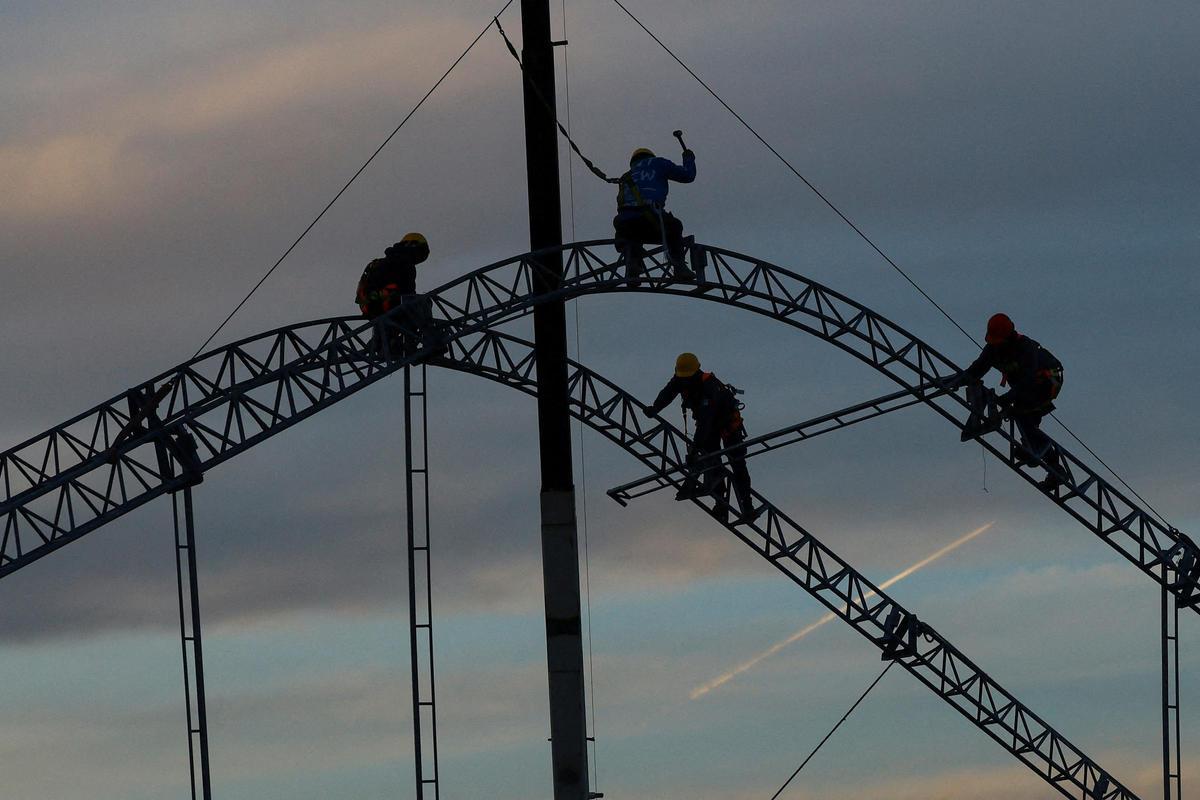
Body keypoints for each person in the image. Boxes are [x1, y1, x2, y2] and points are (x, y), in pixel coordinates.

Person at [642, 352, 761, 522]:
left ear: (695, 372)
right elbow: (667, 393)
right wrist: (655, 408)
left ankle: (747, 506)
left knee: (737, 462)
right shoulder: (680, 379)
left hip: (727, 424)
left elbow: (705, 421)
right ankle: (721, 504)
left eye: (686, 378)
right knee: (713, 463)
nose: (684, 381)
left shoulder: (708, 386)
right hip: (709, 425)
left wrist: (695, 450)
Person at [954, 313, 1066, 489]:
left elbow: (1028, 381)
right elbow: (978, 368)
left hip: (1047, 380)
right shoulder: (992, 349)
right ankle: (1053, 468)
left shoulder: (1025, 348)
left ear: (1008, 337)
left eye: (998, 341)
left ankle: (1039, 448)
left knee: (1022, 412)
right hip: (1027, 385)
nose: (995, 345)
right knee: (1026, 420)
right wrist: (960, 380)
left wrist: (1009, 398)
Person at [613, 144, 696, 280]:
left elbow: (621, 203)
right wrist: (688, 158)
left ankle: (633, 264)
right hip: (649, 218)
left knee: (632, 235)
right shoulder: (658, 163)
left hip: (624, 224)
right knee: (675, 227)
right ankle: (679, 267)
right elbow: (687, 175)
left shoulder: (627, 176)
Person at [355, 233, 435, 358]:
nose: (417, 259)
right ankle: (423, 341)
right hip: (388, 305)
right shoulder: (405, 263)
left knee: (401, 312)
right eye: (419, 253)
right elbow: (409, 292)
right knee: (422, 303)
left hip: (371, 309)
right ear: (411, 246)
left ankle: (383, 341)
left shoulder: (380, 263)